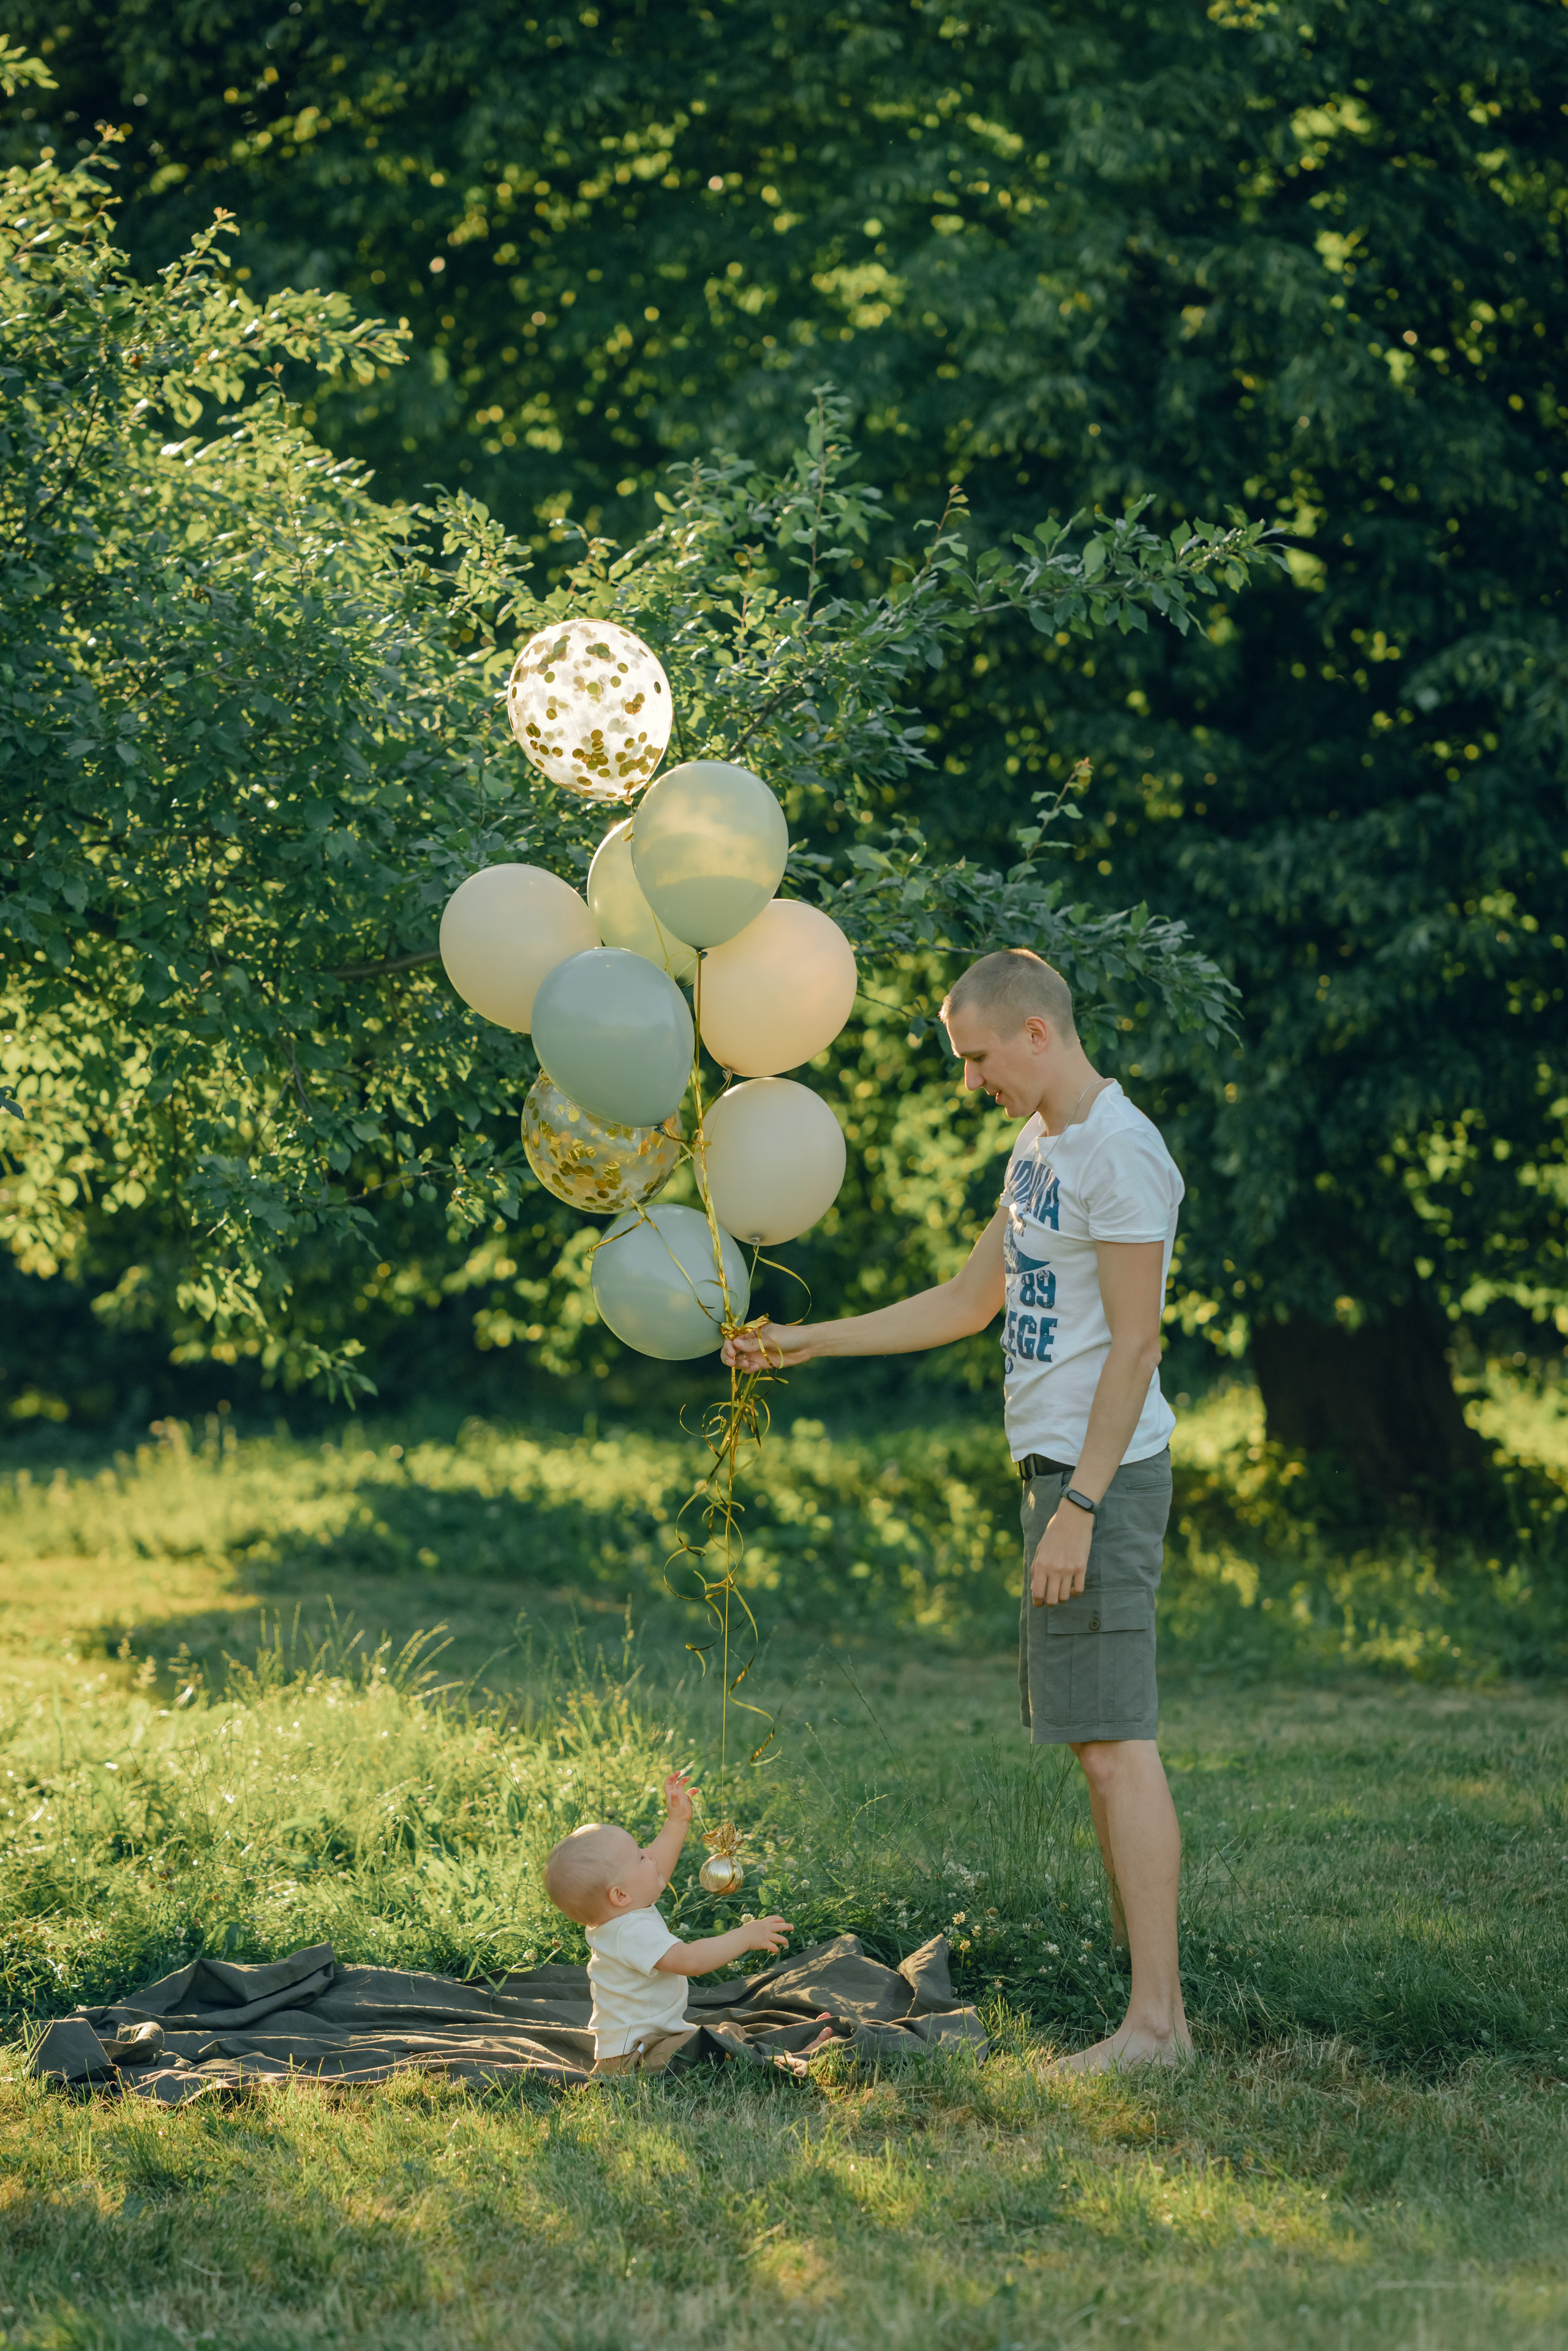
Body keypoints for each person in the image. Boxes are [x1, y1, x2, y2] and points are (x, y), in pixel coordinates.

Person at [723, 948, 1191, 2072]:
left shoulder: (1121, 1152)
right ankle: (1147, 2016)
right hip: (1059, 1476)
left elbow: (1136, 1345)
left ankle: (1158, 2028)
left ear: (1036, 1033)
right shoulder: (1039, 1150)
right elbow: (968, 1299)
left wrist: (1079, 1503)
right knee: (1095, 1741)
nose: (971, 1080)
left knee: (1120, 1744)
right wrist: (807, 1337)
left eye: (977, 1056)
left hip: (1101, 1478)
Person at [545, 1770, 831, 2074]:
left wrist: (677, 1821)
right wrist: (746, 1937)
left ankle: (782, 2053)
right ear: (620, 1895)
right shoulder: (630, 1932)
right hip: (636, 2060)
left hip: (652, 2044)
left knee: (721, 2039)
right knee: (711, 2047)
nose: (649, 1854)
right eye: (640, 1857)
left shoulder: (620, 1913)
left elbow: (658, 1870)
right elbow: (690, 1960)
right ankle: (785, 2062)